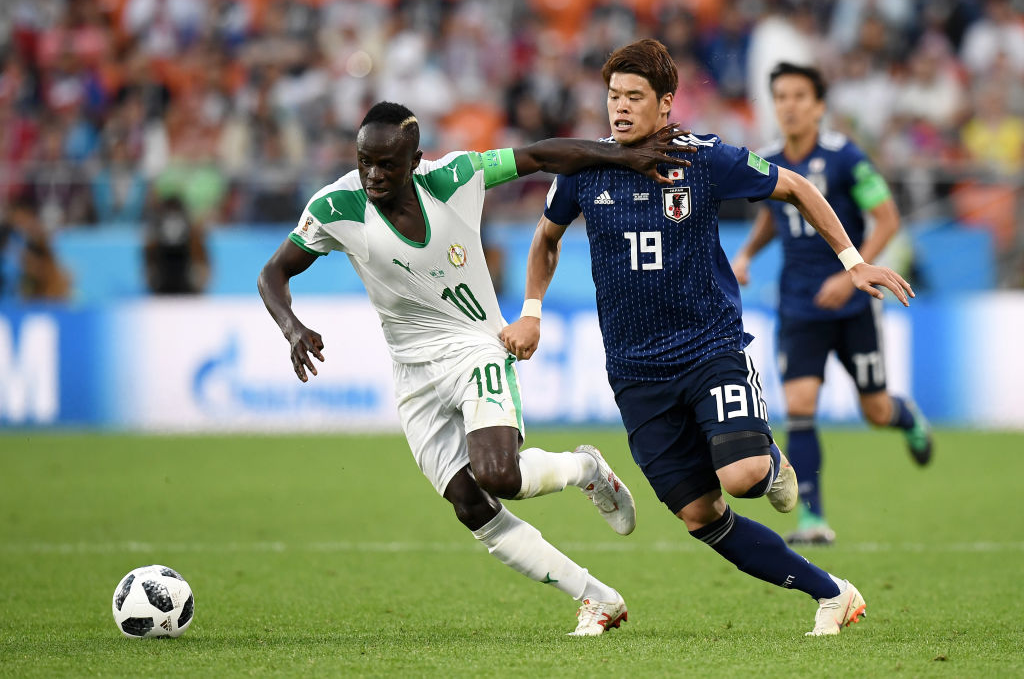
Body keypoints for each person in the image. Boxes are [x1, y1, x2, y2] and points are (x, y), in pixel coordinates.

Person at [501, 39, 914, 637]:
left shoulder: (704, 158)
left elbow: (797, 188)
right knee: (700, 515)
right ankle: (833, 593)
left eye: (634, 96)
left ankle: (769, 463)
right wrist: (532, 311)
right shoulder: (585, 166)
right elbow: (546, 237)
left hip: (709, 349)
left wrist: (852, 261)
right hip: (636, 372)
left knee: (742, 477)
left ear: (665, 103)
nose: (620, 107)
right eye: (613, 96)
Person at [258, 101, 694, 636]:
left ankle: (585, 469)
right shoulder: (335, 206)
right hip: (413, 374)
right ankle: (596, 598)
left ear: (415, 160)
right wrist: (292, 328)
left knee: (499, 476)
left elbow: (540, 155)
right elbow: (273, 273)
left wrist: (623, 157)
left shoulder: (454, 177)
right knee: (471, 506)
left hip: (475, 349)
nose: (373, 174)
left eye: (387, 164)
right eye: (364, 161)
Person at [731, 62, 933, 546]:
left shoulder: (846, 159)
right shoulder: (768, 160)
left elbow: (887, 218)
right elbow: (774, 214)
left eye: (800, 96)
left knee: (876, 411)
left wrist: (850, 273)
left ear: (819, 106)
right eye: (781, 96)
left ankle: (906, 417)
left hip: (853, 306)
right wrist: (747, 254)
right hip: (798, 306)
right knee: (800, 406)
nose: (789, 106)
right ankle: (812, 519)